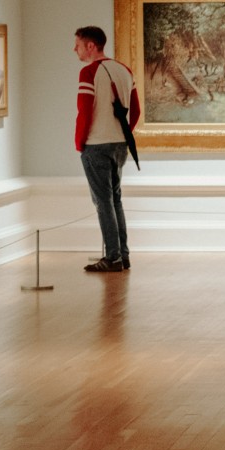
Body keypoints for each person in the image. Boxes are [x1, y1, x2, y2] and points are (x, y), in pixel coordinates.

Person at [73, 25, 140, 273]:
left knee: (103, 202)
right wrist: (123, 132)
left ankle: (113, 257)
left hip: (96, 144)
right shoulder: (124, 70)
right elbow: (136, 110)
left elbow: (84, 110)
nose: (75, 50)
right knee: (116, 200)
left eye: (78, 45)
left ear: (91, 46)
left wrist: (80, 142)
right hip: (119, 144)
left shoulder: (89, 72)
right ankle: (123, 255)